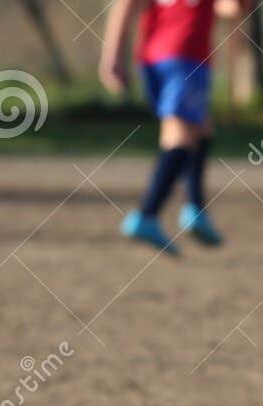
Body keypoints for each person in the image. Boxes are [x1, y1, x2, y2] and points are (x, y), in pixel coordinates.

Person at [100, 0, 243, 252]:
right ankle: (148, 214)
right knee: (181, 136)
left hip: (152, 58)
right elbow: (232, 8)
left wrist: (112, 56)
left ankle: (195, 208)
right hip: (187, 55)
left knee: (200, 127)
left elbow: (126, 5)